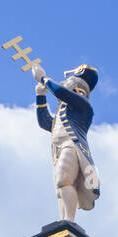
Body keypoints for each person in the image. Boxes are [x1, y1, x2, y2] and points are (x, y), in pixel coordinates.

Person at [33, 62, 100, 221]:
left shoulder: (83, 105)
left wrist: (43, 78)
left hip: (72, 146)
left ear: (77, 84)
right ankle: (63, 221)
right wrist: (40, 95)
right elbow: (46, 123)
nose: (65, 81)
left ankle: (68, 221)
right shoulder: (64, 109)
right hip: (59, 147)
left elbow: (60, 92)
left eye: (69, 79)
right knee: (60, 186)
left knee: (64, 180)